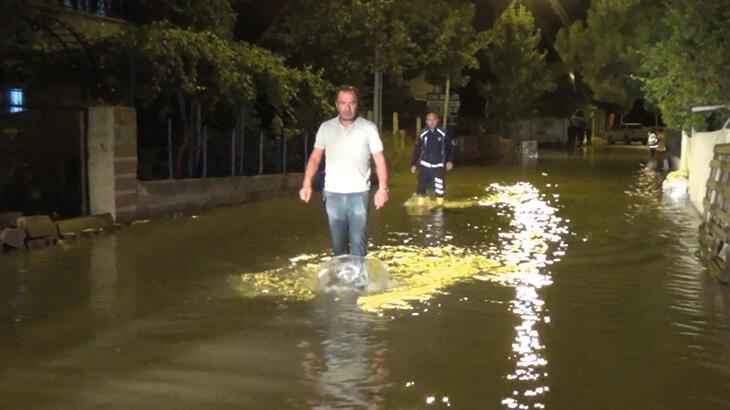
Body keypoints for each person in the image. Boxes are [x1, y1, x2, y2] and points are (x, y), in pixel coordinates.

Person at [299, 86, 389, 257]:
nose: (347, 108)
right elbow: (315, 158)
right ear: (336, 104)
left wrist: (383, 189)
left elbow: (379, 160)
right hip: (333, 194)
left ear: (357, 104)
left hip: (359, 194)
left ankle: (359, 281)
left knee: (359, 245)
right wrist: (307, 184)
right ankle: (341, 280)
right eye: (343, 103)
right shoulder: (326, 128)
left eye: (352, 103)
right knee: (338, 246)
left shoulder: (369, 128)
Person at [410, 112, 453, 206]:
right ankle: (420, 206)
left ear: (438, 121)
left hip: (438, 165)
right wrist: (413, 164)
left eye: (434, 120)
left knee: (439, 186)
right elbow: (417, 149)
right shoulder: (423, 133)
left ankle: (440, 206)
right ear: (426, 122)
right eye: (429, 120)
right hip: (425, 165)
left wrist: (449, 161)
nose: (431, 122)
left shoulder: (443, 133)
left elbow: (449, 148)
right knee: (421, 186)